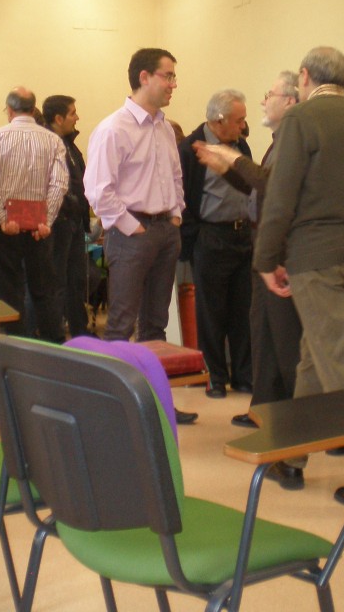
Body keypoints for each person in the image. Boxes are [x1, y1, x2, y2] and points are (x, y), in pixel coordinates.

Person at [254, 46, 344, 511]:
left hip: (316, 257)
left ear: (304, 77)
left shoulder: (302, 120)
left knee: (338, 361)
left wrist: (266, 258)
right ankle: (292, 458)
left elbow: (281, 197)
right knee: (314, 357)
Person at [196, 70, 303, 487]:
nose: (263, 101)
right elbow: (258, 189)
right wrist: (227, 166)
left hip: (280, 258)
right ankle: (267, 419)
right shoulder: (279, 140)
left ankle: (295, 442)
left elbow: (273, 188)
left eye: (269, 94)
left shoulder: (293, 140)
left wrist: (232, 160)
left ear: (289, 101)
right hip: (263, 252)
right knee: (265, 339)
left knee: (284, 348)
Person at [84, 48, 184, 344]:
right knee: (121, 324)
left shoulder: (165, 128)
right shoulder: (113, 129)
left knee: (157, 323)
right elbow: (98, 190)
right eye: (168, 76)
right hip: (131, 233)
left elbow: (175, 177)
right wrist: (132, 226)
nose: (174, 84)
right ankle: (115, 377)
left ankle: (151, 375)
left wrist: (176, 214)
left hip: (166, 230)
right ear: (144, 77)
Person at [0, 87, 67, 340]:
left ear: (9, 110)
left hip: (6, 228)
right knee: (45, 289)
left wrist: (3, 217)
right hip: (40, 229)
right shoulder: (53, 141)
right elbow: (59, 184)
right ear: (33, 108)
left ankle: (14, 346)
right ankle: (52, 347)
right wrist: (46, 220)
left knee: (9, 288)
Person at [178, 90, 253, 398]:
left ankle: (244, 375)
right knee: (211, 312)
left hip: (243, 236)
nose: (243, 126)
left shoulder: (241, 145)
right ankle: (215, 377)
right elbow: (182, 196)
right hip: (211, 237)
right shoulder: (190, 148)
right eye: (239, 120)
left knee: (242, 311)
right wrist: (194, 236)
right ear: (218, 121)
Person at [43, 94, 92, 338]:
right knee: (58, 282)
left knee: (76, 280)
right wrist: (69, 206)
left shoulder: (69, 144)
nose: (77, 117)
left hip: (74, 222)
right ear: (58, 118)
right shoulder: (47, 145)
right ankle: (55, 335)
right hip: (58, 222)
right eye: (73, 113)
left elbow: (78, 180)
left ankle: (79, 331)